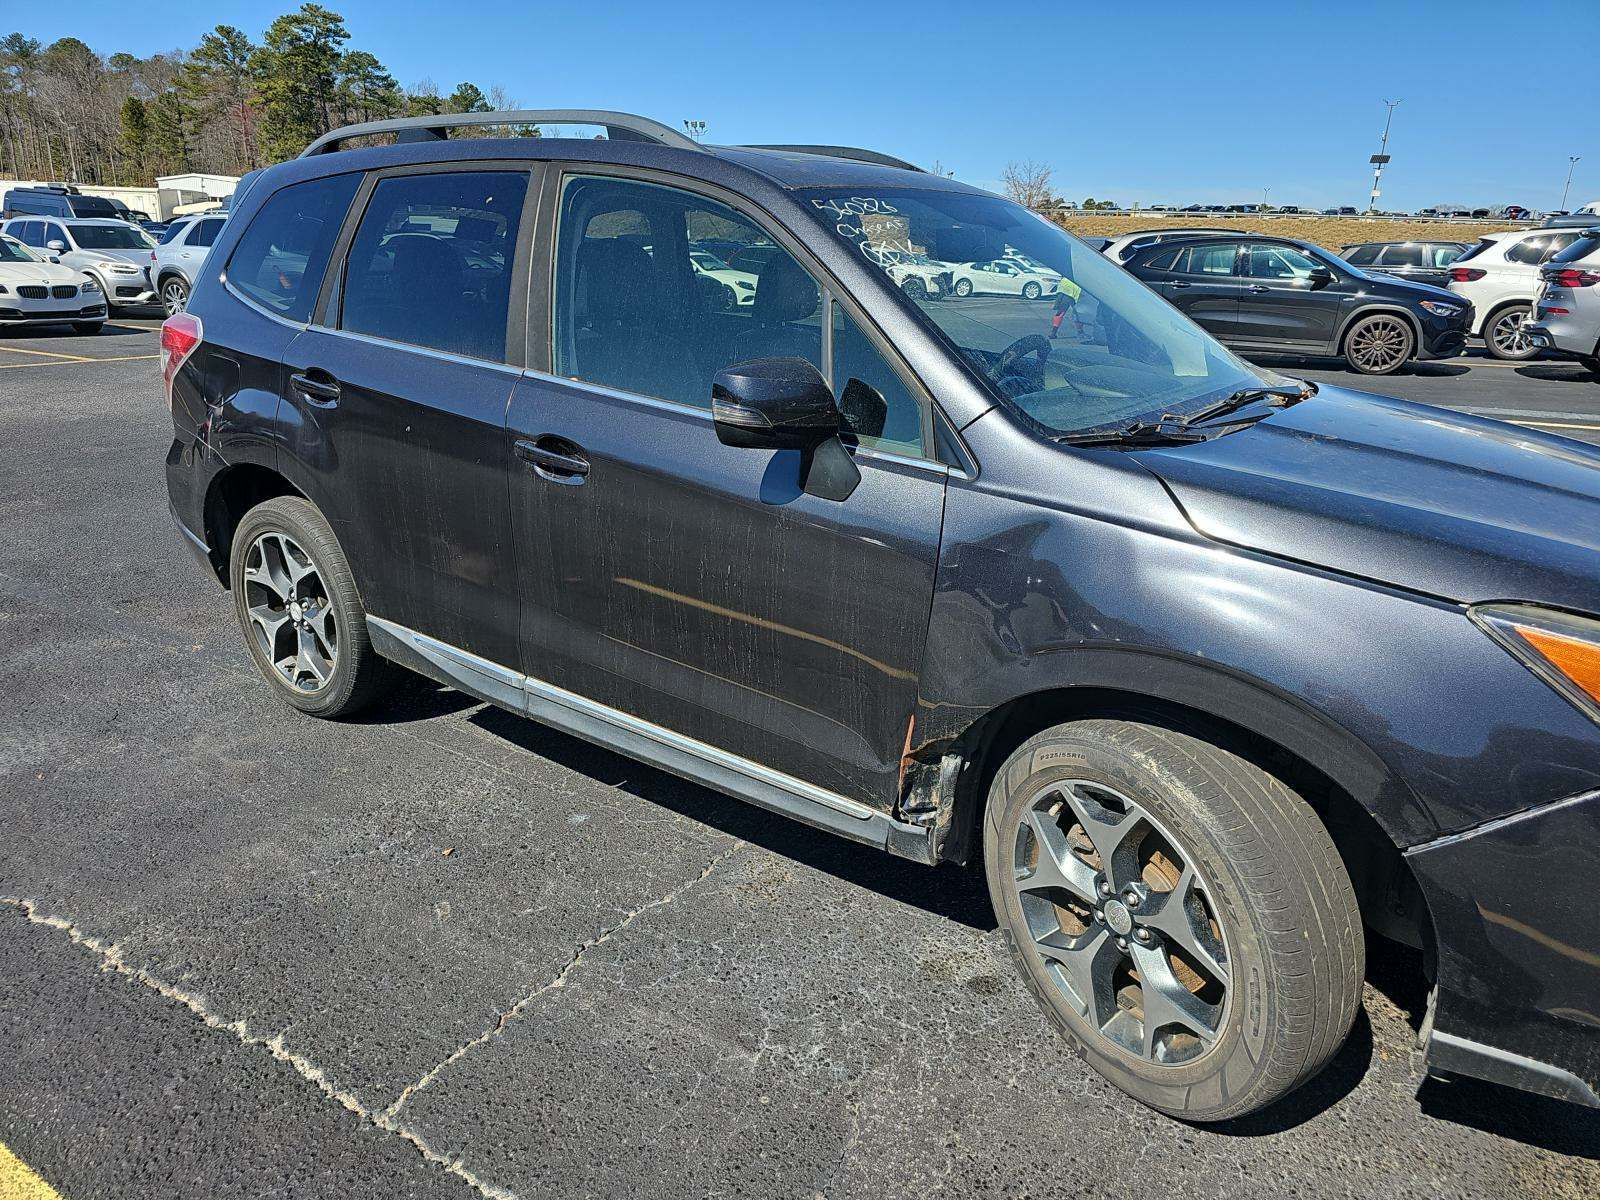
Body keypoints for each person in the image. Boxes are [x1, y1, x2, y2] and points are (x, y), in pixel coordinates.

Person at [1049, 274, 1083, 339]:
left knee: (1060, 313)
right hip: (1072, 291)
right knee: (1078, 314)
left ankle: (1053, 333)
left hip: (1064, 289)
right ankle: (1080, 332)